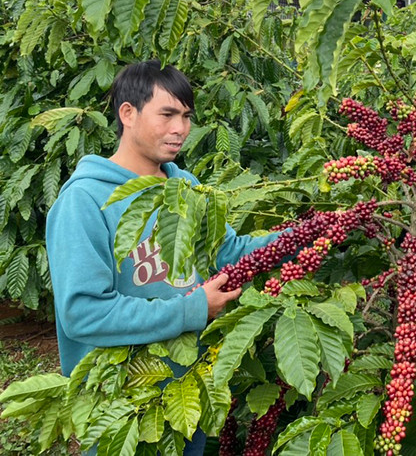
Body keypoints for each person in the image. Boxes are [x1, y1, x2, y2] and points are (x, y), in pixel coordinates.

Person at [46, 59, 280, 454]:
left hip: (189, 387)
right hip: (125, 402)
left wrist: (312, 234)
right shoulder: (84, 201)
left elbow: (229, 253)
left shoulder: (184, 184)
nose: (181, 129)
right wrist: (193, 309)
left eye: (186, 116)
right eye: (167, 114)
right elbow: (83, 312)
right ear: (128, 114)